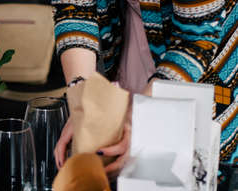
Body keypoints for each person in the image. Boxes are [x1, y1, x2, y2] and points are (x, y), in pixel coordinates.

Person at [52, 0, 238, 178]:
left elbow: (196, 37)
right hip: (132, 48)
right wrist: (83, 101)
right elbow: (73, 9)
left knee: (193, 187)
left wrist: (140, 117)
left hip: (195, 71)